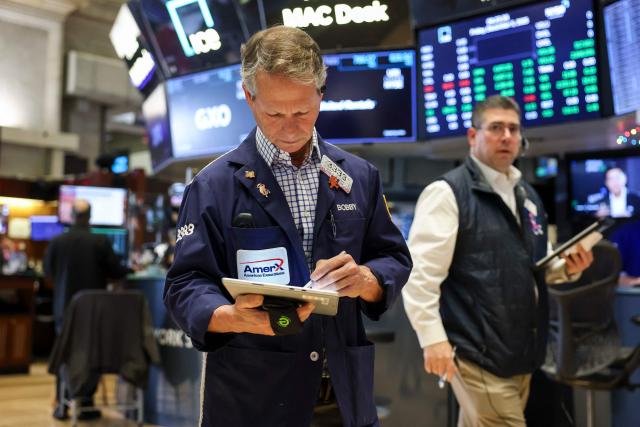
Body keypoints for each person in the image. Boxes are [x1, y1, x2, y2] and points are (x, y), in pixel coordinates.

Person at [163, 25, 411, 427]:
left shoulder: (359, 176)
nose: (291, 127)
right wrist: (228, 316)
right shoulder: (213, 186)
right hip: (255, 399)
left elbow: (392, 257)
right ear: (249, 97)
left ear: (321, 93)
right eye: (274, 113)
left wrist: (367, 279)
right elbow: (184, 283)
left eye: (303, 111)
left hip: (344, 397)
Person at [402, 95, 593, 427]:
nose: (506, 136)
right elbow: (420, 277)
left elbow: (534, 267)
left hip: (521, 353)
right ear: (473, 136)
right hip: (478, 353)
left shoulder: (527, 195)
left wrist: (566, 268)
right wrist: (433, 340)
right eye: (495, 128)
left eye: (513, 129)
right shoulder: (447, 193)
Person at [44, 198, 131, 420]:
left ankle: (61, 405)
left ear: (72, 216)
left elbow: (48, 273)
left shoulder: (57, 241)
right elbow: (117, 271)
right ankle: (86, 404)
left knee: (65, 353)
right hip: (94, 313)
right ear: (90, 216)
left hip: (64, 308)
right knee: (91, 354)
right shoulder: (100, 241)